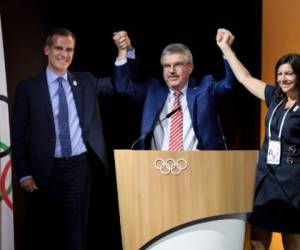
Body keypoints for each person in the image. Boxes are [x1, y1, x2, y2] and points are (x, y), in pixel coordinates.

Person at [11, 28, 131, 250]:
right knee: (43, 236)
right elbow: (17, 137)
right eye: (59, 48)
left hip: (78, 170)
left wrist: (124, 52)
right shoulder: (28, 89)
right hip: (41, 171)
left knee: (75, 237)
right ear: (46, 50)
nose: (64, 54)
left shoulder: (85, 81)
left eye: (69, 50)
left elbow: (120, 86)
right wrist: (24, 174)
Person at [217, 28, 300, 250]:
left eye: (289, 73)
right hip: (267, 176)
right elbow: (245, 78)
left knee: (292, 240)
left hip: (294, 180)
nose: (283, 78)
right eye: (280, 74)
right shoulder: (275, 96)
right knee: (257, 238)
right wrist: (226, 48)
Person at [113, 31, 235, 150]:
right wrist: (124, 52)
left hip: (198, 165)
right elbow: (124, 87)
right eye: (166, 66)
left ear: (190, 68)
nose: (171, 71)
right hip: (157, 165)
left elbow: (228, 84)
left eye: (178, 65)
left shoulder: (205, 89)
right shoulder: (153, 91)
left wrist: (226, 50)